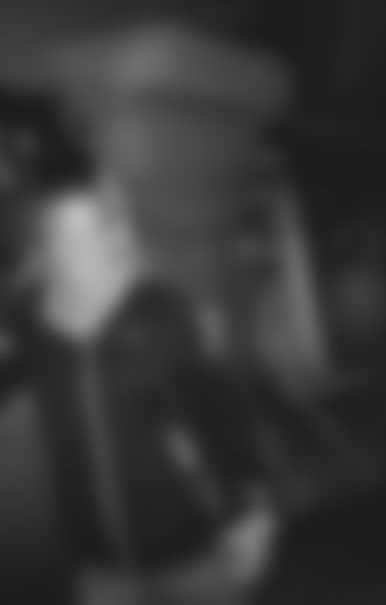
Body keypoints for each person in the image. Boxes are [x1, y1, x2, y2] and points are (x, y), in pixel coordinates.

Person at [19, 176, 282, 605]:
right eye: (63, 237)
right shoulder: (37, 326)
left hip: (193, 553)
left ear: (113, 236)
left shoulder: (163, 310)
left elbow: (223, 412)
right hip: (101, 570)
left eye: (89, 234)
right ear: (47, 246)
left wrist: (254, 507)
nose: (77, 249)